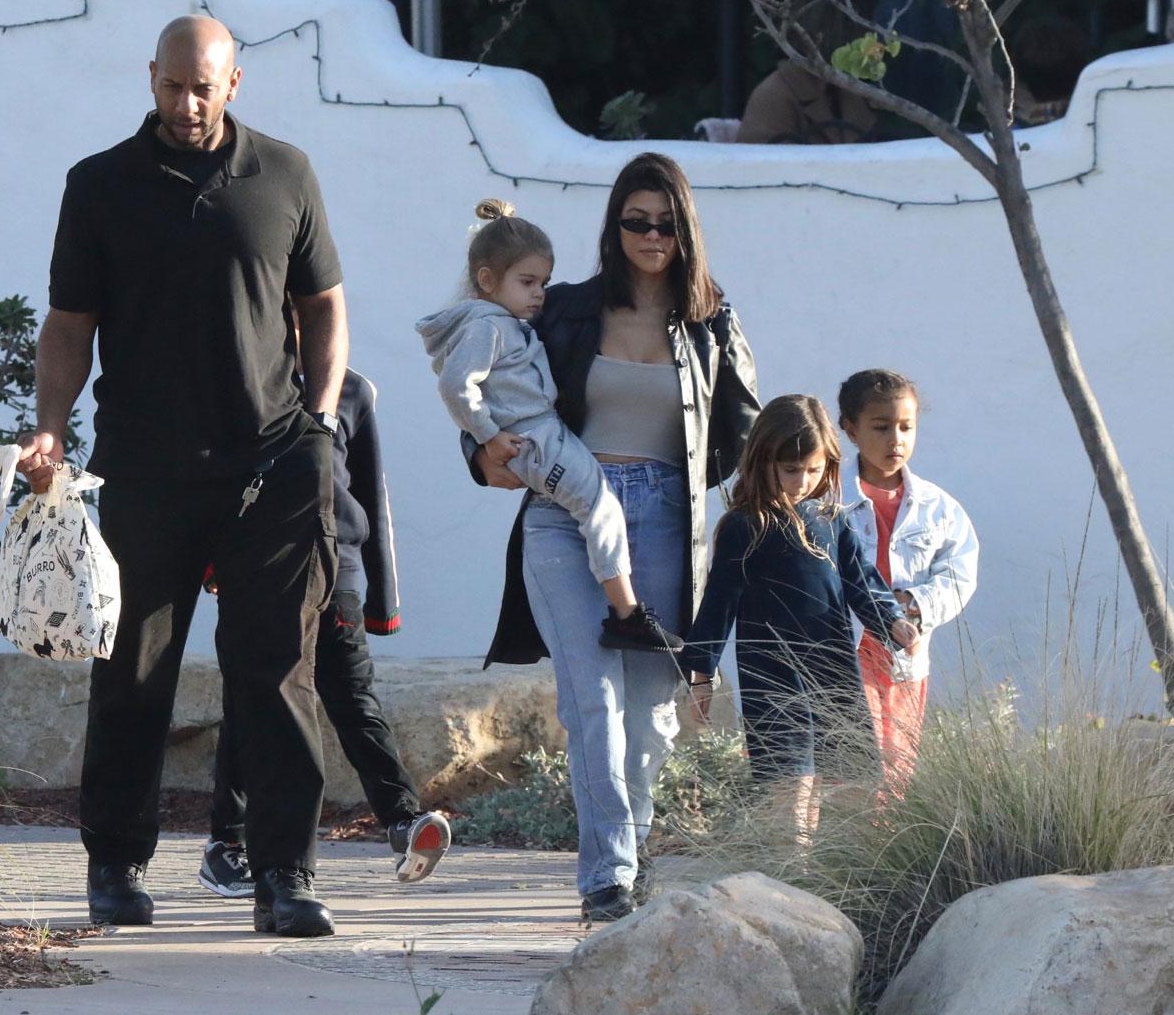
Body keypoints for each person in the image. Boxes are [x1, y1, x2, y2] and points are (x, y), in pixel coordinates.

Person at [16, 15, 348, 938]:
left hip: (275, 465)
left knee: (278, 672)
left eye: (204, 87)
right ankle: (115, 866)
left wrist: (319, 422)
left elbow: (323, 306)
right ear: (150, 76)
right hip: (144, 467)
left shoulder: (285, 174)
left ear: (234, 82)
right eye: (172, 86)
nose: (187, 103)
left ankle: (284, 874)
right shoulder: (100, 185)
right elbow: (69, 324)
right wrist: (50, 430)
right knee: (131, 671)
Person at [469, 152, 760, 922]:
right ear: (616, 224)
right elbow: (497, 380)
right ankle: (609, 878)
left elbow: (746, 427)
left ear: (685, 228)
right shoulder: (566, 308)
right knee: (591, 701)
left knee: (651, 715)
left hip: (667, 514)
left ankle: (630, 848)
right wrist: (482, 453)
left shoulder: (710, 321)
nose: (651, 235)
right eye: (637, 220)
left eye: (666, 222)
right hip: (567, 512)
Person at [199, 369, 451, 895]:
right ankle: (227, 844)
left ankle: (404, 822)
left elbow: (370, 489)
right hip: (260, 565)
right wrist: (211, 563)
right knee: (255, 696)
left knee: (355, 699)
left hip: (340, 566)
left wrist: (383, 600)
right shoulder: (234, 377)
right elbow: (210, 472)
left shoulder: (352, 388)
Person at [419, 199, 682, 654]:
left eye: (541, 281)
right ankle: (627, 614)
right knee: (599, 506)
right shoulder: (488, 327)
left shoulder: (510, 322)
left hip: (545, 431)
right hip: (533, 438)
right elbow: (456, 386)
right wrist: (487, 436)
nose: (540, 293)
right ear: (487, 280)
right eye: (527, 282)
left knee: (600, 508)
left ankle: (626, 611)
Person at [680, 394, 920, 840]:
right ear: (763, 460)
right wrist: (701, 675)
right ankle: (789, 877)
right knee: (791, 784)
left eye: (814, 470)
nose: (803, 481)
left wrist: (892, 620)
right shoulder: (744, 526)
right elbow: (718, 603)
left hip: (832, 671)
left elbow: (861, 581)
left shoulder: (832, 520)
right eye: (791, 470)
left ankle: (829, 880)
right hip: (772, 676)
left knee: (850, 780)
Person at [838, 369, 978, 790]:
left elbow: (960, 573)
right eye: (881, 428)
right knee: (853, 766)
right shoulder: (827, 498)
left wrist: (914, 601)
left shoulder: (938, 507)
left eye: (906, 427)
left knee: (897, 767)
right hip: (844, 651)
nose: (895, 440)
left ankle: (886, 848)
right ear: (850, 430)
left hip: (904, 657)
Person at [736, 0, 877, 146]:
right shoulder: (773, 97)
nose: (867, 38)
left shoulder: (850, 93)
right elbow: (757, 167)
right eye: (857, 28)